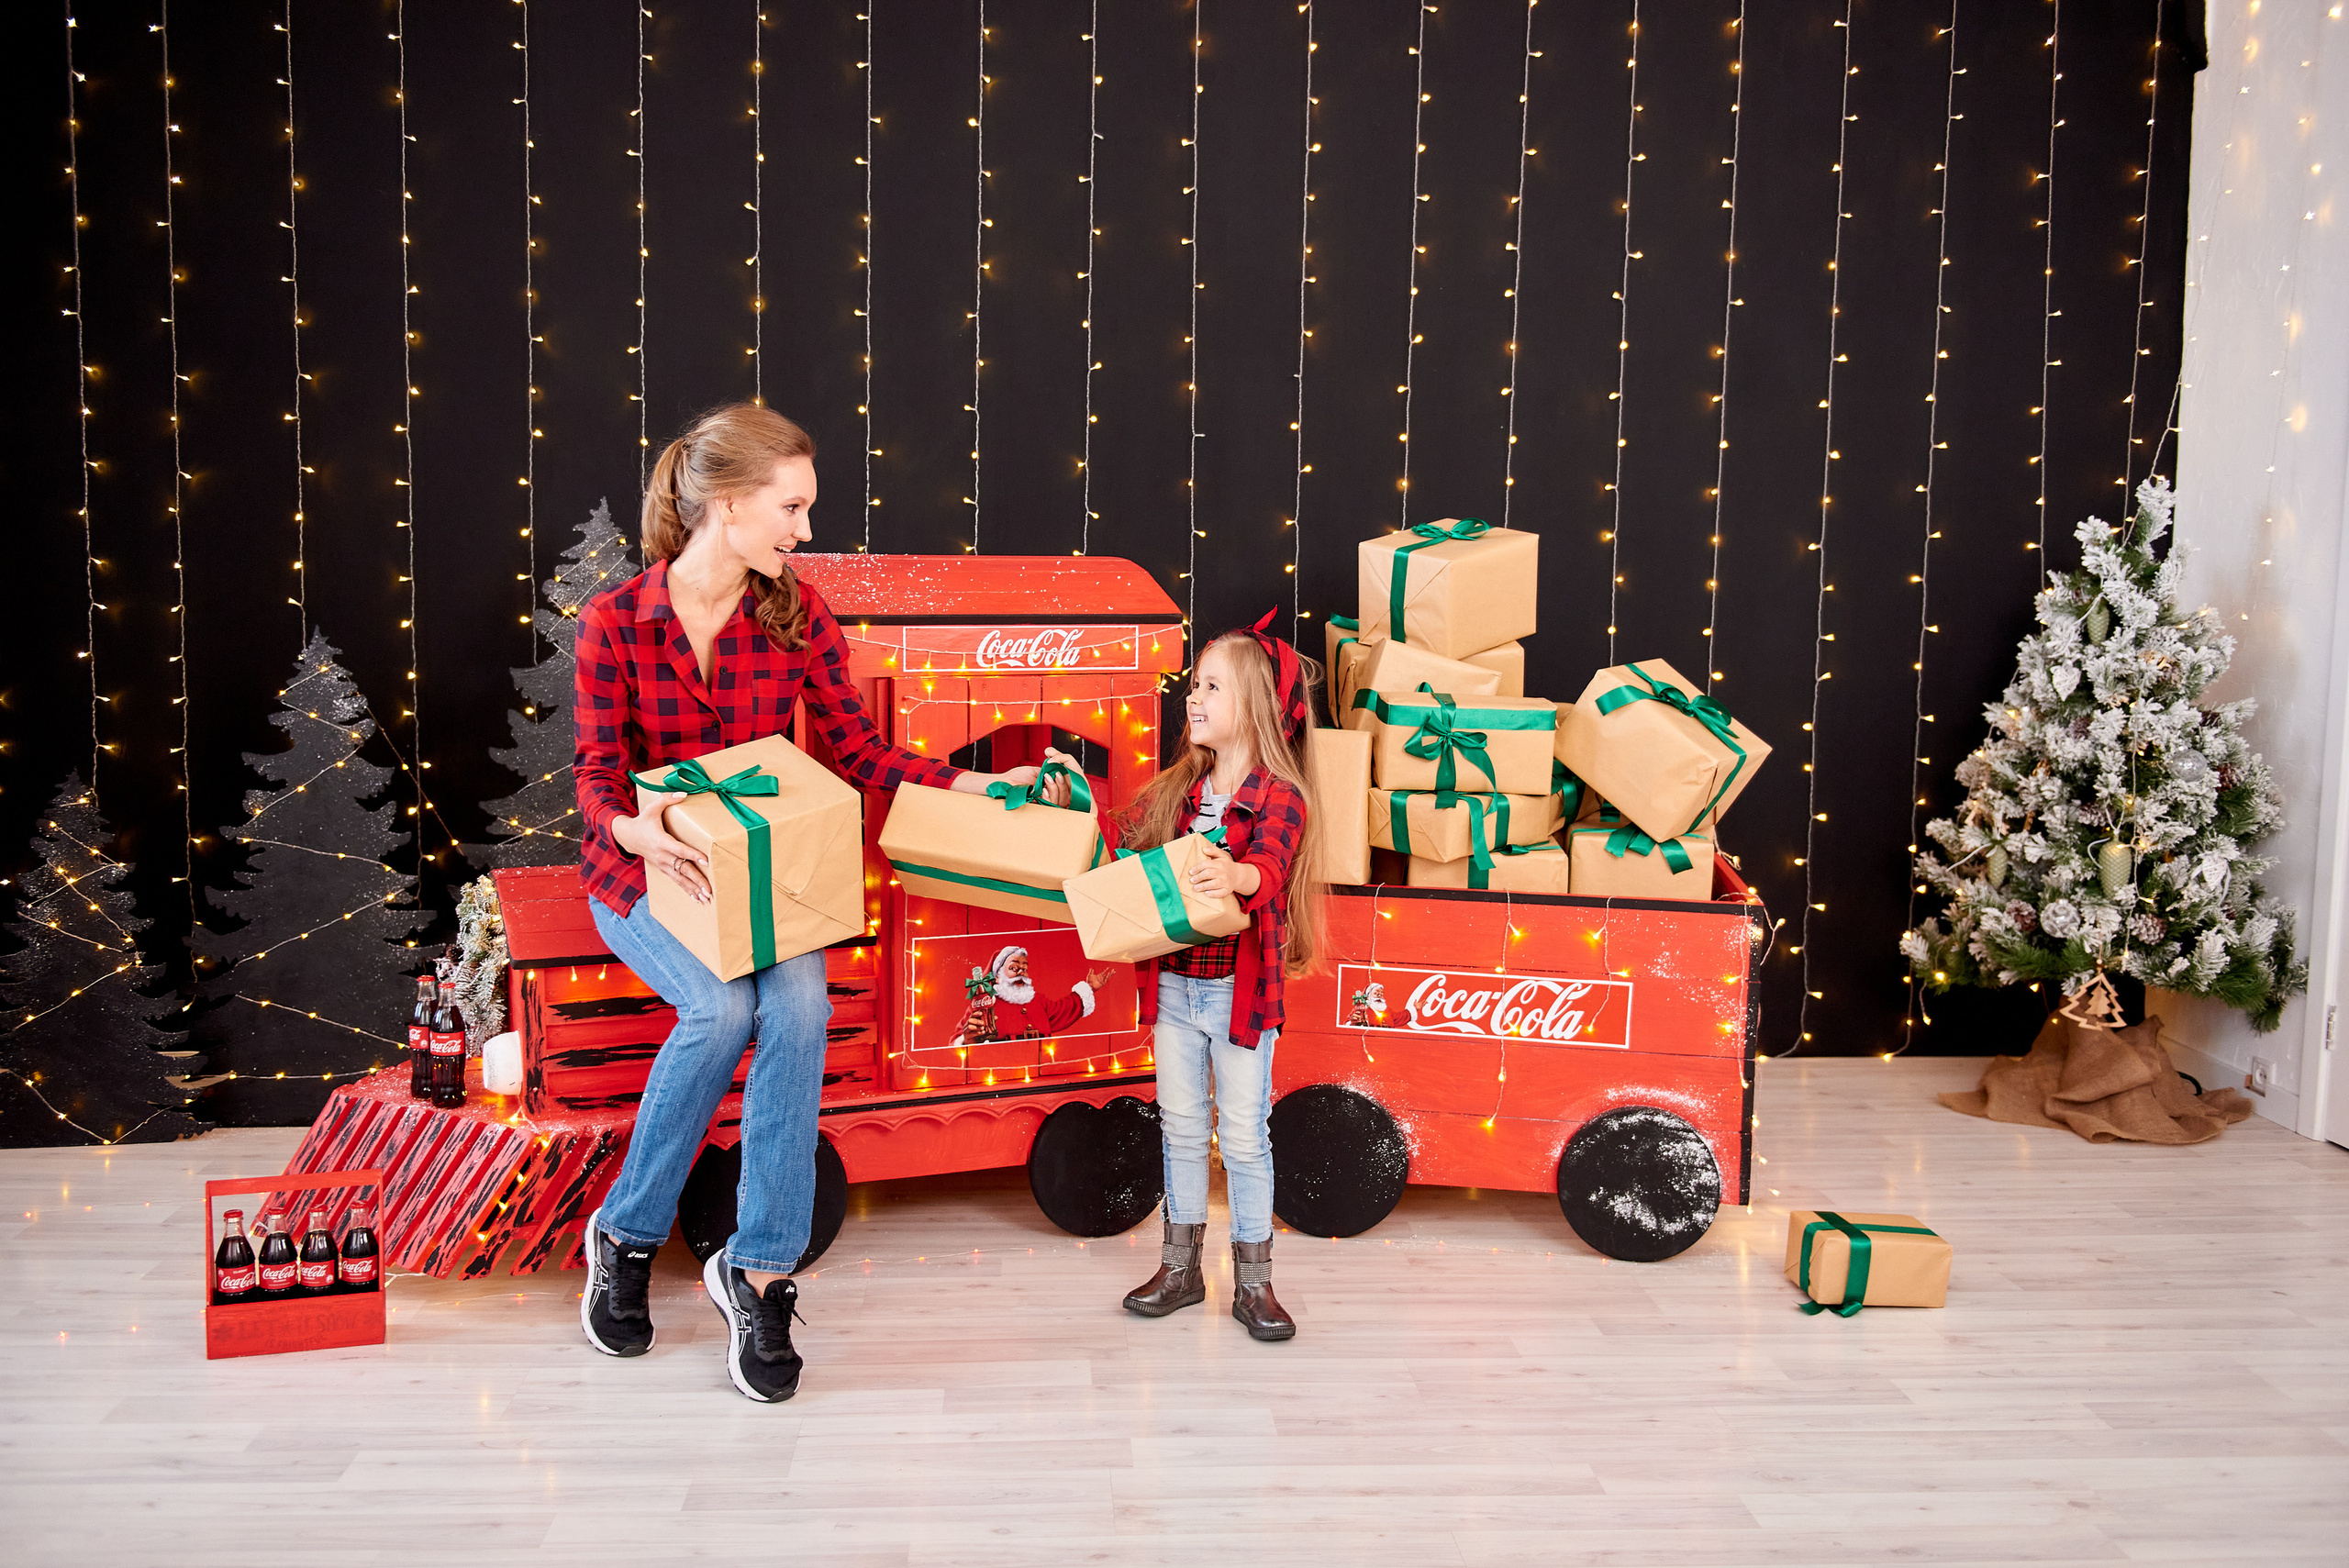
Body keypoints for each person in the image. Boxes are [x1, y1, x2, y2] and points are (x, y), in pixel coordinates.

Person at [570, 403, 1041, 1402]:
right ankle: (626, 1234)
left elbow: (861, 752)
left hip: (766, 877)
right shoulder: (615, 623)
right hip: (647, 872)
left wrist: (979, 783)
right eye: (791, 508)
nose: (805, 529)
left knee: (798, 1007)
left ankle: (758, 1269)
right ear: (728, 504)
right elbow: (597, 775)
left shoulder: (795, 612)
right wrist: (633, 831)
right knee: (719, 1010)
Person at [1042, 613, 1324, 1340]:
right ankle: (1181, 1269)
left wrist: (1236, 873)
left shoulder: (1280, 794)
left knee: (1245, 1135)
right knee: (1182, 1126)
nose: (1192, 697)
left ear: (1255, 706)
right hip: (1173, 987)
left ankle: (1255, 1283)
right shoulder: (1180, 788)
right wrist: (1076, 797)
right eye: (1194, 685)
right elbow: (1122, 840)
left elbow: (1269, 867)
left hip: (1239, 996)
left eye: (1211, 687)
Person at [952, 945, 1115, 1046]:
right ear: (997, 976)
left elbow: (1063, 1010)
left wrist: (1090, 988)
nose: (1021, 973)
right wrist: (968, 1039)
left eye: (1024, 968)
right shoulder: (986, 1004)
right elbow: (959, 1038)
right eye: (1014, 968)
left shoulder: (1038, 1000)